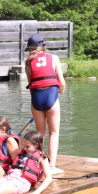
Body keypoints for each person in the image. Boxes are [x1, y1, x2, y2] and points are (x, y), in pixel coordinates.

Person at [24, 33, 66, 174]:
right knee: (54, 133)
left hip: (36, 99)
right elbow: (61, 83)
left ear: (30, 48)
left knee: (40, 134)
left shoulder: (27, 62)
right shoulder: (53, 58)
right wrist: (60, 92)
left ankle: (38, 165)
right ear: (42, 46)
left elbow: (31, 84)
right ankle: (51, 167)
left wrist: (35, 105)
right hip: (51, 98)